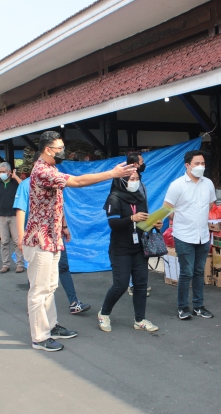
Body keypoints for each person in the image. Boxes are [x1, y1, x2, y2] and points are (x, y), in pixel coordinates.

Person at [20, 130, 136, 352]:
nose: (64, 152)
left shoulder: (51, 168)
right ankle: (39, 337)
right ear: (47, 150)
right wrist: (112, 173)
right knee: (39, 290)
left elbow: (53, 202)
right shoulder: (43, 170)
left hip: (52, 238)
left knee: (51, 286)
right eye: (59, 148)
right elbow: (79, 181)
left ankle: (51, 326)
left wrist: (62, 225)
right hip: (40, 239)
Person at [14, 152, 91, 315]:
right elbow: (20, 210)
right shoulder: (26, 185)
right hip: (36, 238)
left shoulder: (53, 182)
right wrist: (21, 236)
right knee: (38, 277)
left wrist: (64, 227)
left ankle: (73, 303)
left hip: (54, 236)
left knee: (60, 270)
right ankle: (35, 308)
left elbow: (58, 207)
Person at [98, 170, 162, 333]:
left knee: (141, 284)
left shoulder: (140, 198)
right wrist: (131, 219)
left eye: (137, 179)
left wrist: (154, 224)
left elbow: (143, 223)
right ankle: (104, 313)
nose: (135, 182)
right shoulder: (115, 198)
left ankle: (139, 319)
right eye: (131, 179)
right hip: (120, 249)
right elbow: (113, 224)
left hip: (139, 247)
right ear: (123, 181)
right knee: (120, 284)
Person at [164, 150, 216, 320]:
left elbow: (210, 204)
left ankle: (199, 306)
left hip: (203, 235)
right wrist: (183, 219)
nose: (201, 166)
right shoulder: (177, 185)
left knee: (199, 271)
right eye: (197, 163)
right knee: (186, 272)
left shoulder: (208, 183)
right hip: (184, 235)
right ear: (187, 165)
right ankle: (183, 307)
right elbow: (167, 209)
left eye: (203, 163)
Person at [0, 162, 24, 274]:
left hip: (14, 216)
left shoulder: (15, 183)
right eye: (0, 172)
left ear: (9, 172)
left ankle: (20, 264)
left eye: (4, 171)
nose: (1, 174)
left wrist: (15, 176)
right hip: (1, 216)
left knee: (18, 241)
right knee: (4, 242)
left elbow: (24, 186)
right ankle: (5, 264)